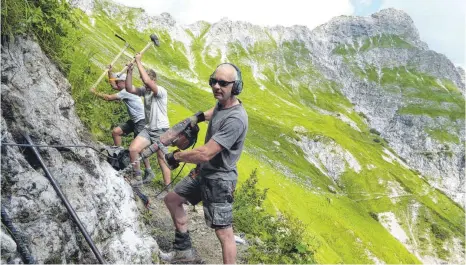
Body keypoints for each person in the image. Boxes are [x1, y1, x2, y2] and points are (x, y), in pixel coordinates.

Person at [161, 63, 248, 264]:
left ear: (235, 87)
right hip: (203, 173)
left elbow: (205, 153)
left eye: (223, 83)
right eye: (213, 81)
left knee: (224, 233)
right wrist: (196, 118)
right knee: (172, 200)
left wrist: (176, 157)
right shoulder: (222, 105)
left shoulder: (237, 118)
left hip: (220, 180)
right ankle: (183, 251)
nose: (217, 86)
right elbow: (213, 112)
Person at [90, 65, 154, 179]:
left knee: (139, 148)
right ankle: (117, 156)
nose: (116, 85)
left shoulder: (126, 91)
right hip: (135, 120)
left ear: (124, 82)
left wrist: (94, 93)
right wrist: (110, 72)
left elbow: (109, 98)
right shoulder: (125, 88)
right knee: (116, 132)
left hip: (141, 121)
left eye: (118, 82)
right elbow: (113, 84)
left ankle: (144, 171)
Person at [124, 53, 171, 186]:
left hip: (161, 130)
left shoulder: (160, 91)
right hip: (149, 129)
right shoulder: (145, 91)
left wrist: (138, 61)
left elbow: (146, 81)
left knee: (162, 158)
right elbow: (129, 88)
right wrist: (129, 71)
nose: (144, 83)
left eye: (146, 80)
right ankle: (138, 178)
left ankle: (168, 188)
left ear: (154, 80)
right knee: (133, 149)